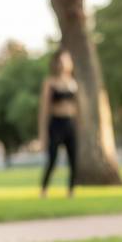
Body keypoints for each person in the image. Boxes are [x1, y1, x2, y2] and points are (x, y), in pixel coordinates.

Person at [39, 49, 78, 197]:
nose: (63, 64)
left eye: (66, 61)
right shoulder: (50, 82)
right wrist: (42, 133)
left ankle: (71, 190)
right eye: (61, 61)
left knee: (73, 159)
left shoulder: (74, 83)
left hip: (70, 123)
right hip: (56, 123)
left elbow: (78, 107)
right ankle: (44, 189)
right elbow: (44, 109)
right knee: (52, 159)